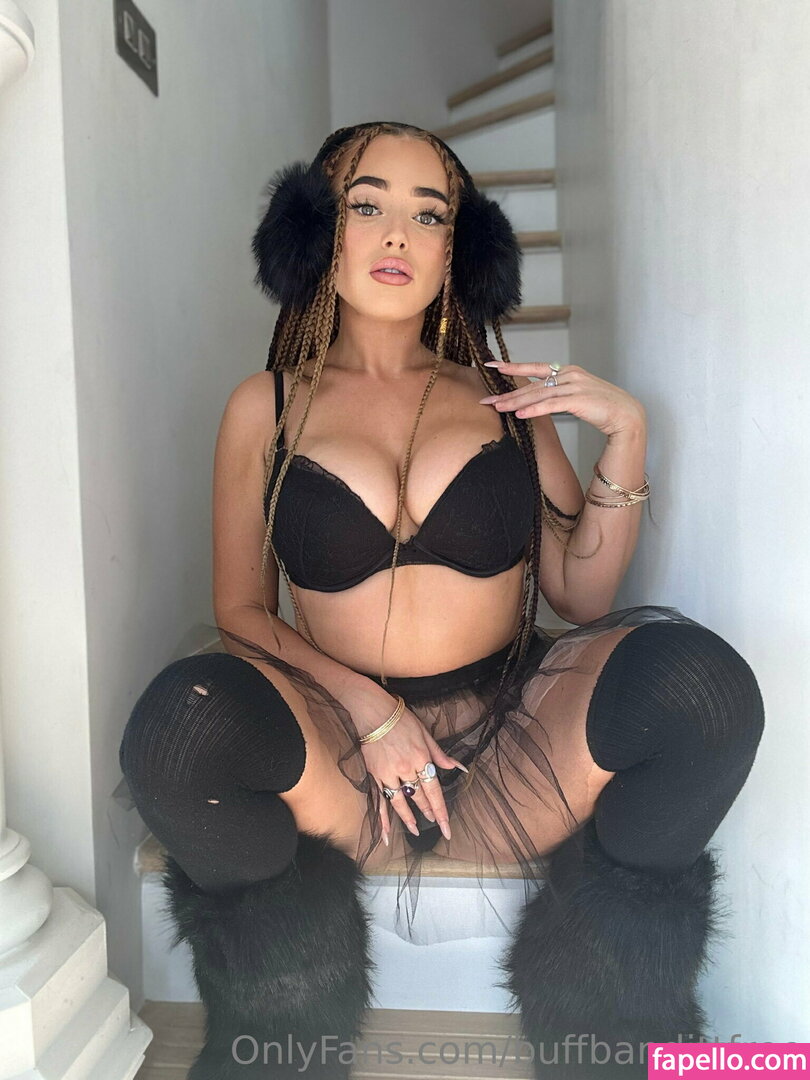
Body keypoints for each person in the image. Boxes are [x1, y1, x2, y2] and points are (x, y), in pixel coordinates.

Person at [118, 121, 765, 1079]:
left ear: (459, 250)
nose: (397, 235)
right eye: (366, 205)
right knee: (176, 730)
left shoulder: (501, 399)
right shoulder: (266, 405)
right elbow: (243, 613)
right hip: (345, 748)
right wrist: (372, 713)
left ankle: (611, 1028)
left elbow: (583, 592)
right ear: (314, 231)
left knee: (704, 691)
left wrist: (626, 435)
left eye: (430, 216)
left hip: (512, 739)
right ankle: (282, 1026)